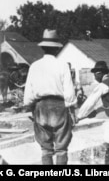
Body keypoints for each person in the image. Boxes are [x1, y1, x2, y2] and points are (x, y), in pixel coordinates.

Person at [23, 29, 77, 165]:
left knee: (46, 149)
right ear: (57, 49)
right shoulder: (62, 65)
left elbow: (28, 93)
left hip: (41, 108)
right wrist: (72, 109)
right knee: (62, 149)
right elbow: (69, 93)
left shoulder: (34, 66)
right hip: (59, 107)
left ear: (43, 48)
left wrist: (30, 107)